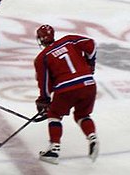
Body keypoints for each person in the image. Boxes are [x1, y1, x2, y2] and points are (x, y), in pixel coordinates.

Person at [33, 24, 98, 165]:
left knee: (54, 115)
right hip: (88, 84)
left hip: (66, 88)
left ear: (40, 39)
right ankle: (92, 137)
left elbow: (44, 83)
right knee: (82, 115)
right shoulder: (68, 40)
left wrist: (44, 100)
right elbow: (91, 44)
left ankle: (54, 150)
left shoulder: (42, 58)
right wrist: (90, 65)